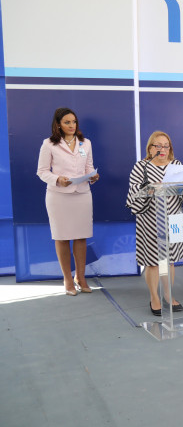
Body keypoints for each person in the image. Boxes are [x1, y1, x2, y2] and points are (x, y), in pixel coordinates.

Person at [36, 107, 99, 296]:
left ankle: (81, 277)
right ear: (58, 124)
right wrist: (57, 179)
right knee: (62, 237)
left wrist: (93, 176)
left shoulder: (85, 143)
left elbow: (89, 167)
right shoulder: (49, 144)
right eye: (67, 122)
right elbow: (42, 171)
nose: (72, 125)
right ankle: (68, 279)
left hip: (82, 194)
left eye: (74, 122)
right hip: (59, 196)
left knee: (81, 237)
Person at [126, 131, 183, 315]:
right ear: (150, 148)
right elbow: (134, 192)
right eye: (158, 145)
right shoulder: (141, 167)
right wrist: (151, 188)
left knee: (170, 261)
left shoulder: (176, 165)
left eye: (166, 146)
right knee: (153, 262)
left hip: (172, 219)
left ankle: (168, 295)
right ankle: (154, 298)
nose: (162, 149)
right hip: (150, 221)